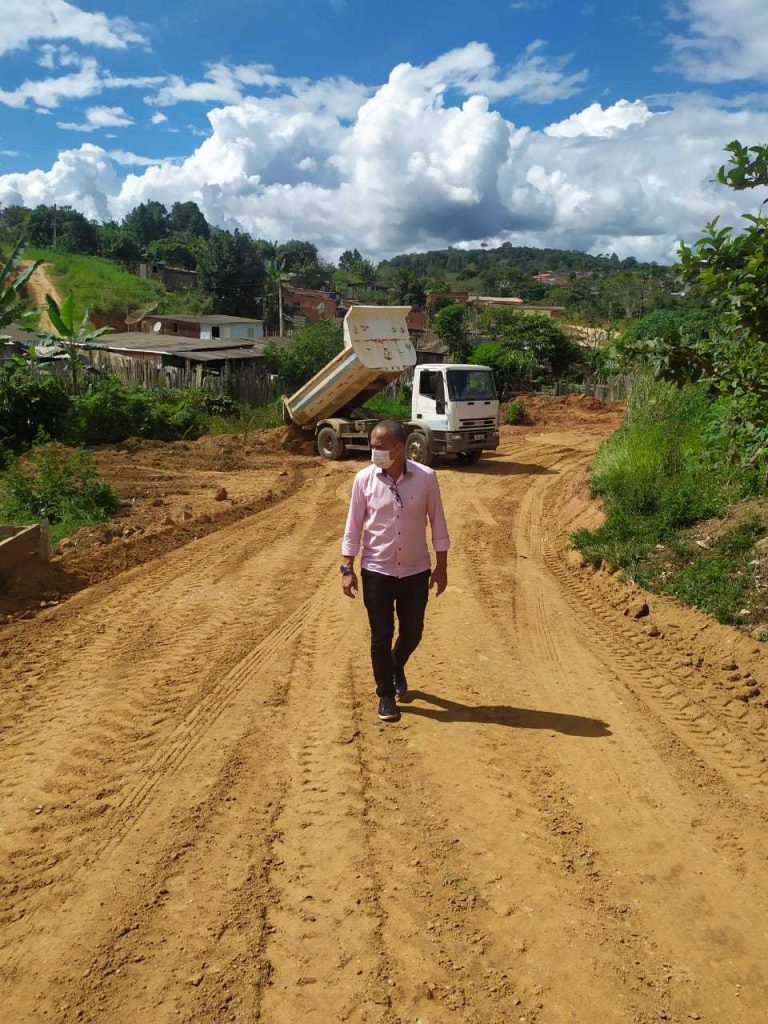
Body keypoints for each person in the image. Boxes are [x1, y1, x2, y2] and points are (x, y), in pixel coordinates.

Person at [340, 419, 450, 722]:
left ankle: (395, 664)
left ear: (399, 449)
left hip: (416, 571)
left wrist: (441, 567)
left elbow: (438, 522)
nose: (373, 452)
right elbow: (353, 525)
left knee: (413, 632)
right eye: (372, 446)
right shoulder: (364, 480)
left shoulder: (426, 478)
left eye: (379, 447)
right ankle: (386, 695)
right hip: (376, 570)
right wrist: (346, 567)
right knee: (381, 634)